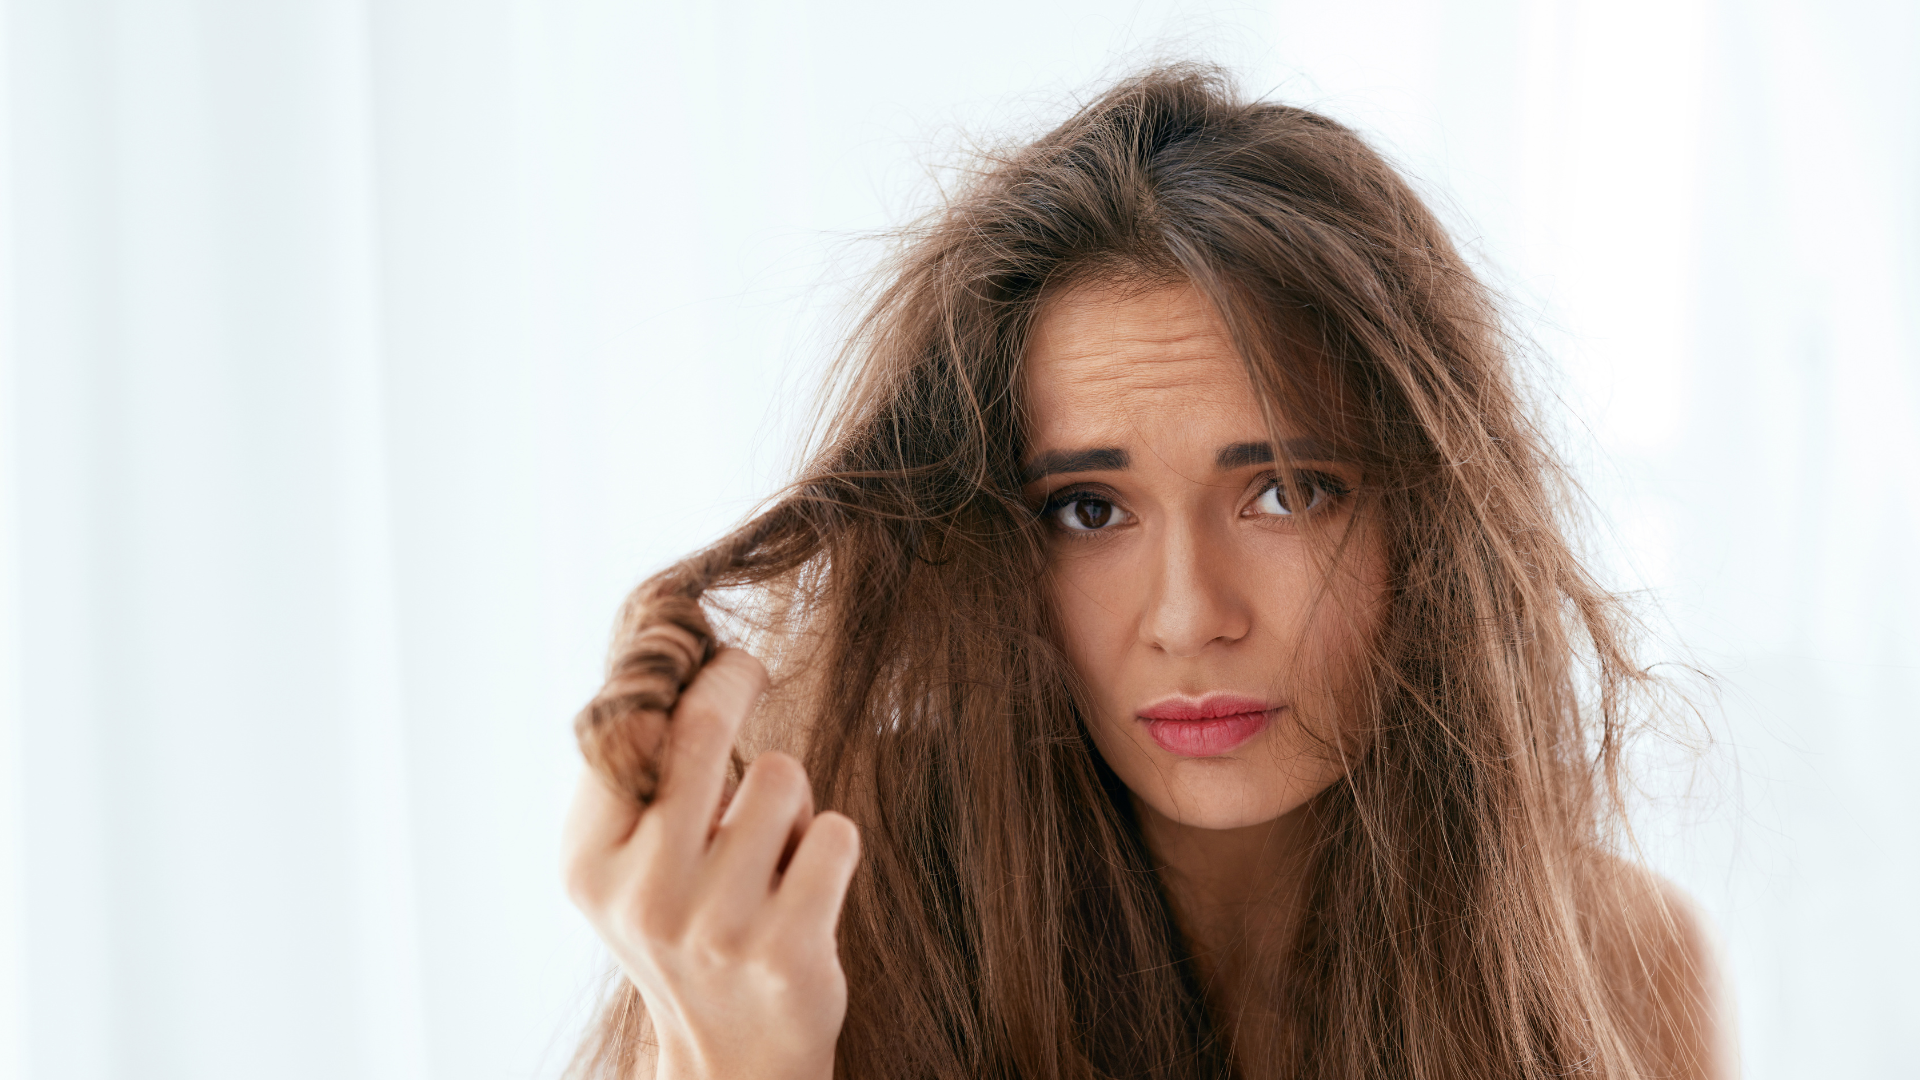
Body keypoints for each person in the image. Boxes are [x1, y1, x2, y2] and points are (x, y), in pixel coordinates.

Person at [559, 65, 1730, 1080]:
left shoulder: (1614, 966)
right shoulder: (805, 945)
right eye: (1088, 510)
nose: (1187, 618)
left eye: (1287, 492)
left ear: (1433, 527)